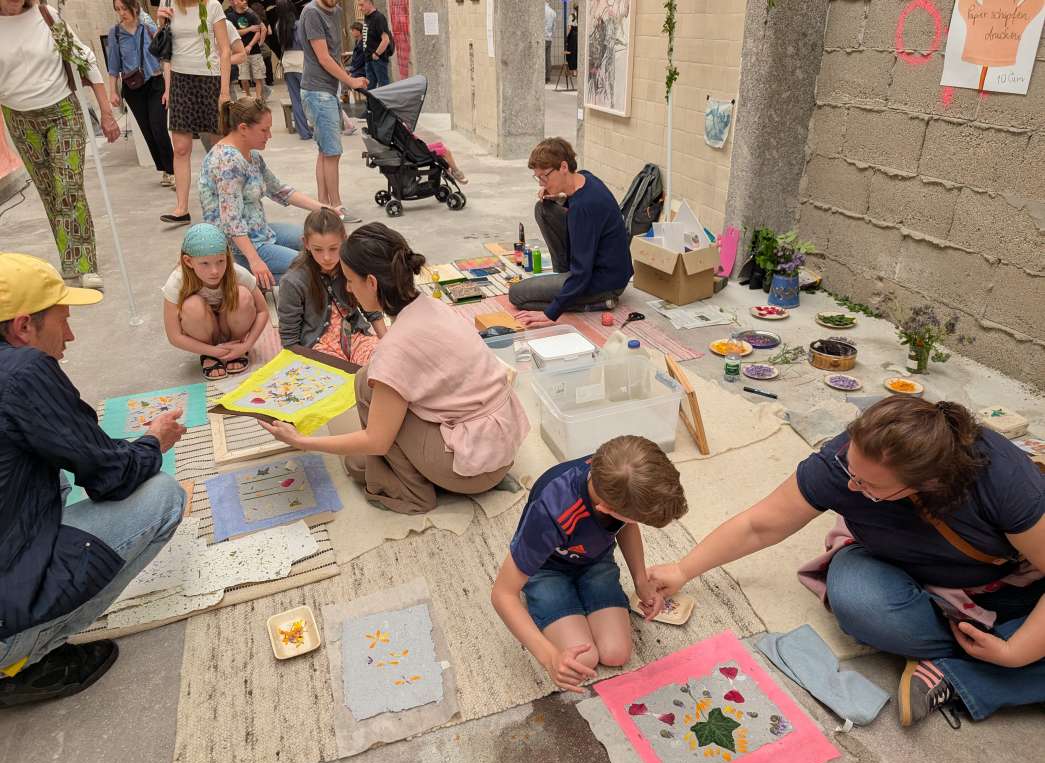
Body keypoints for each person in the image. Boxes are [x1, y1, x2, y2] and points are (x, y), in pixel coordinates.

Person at [648, 396, 1045, 728]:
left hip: (1004, 585)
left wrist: (1016, 652)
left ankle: (961, 675)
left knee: (1027, 644)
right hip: (893, 572)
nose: (851, 485)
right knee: (856, 597)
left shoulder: (1002, 477)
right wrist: (683, 569)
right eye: (851, 471)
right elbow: (760, 525)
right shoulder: (845, 462)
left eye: (869, 485)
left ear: (925, 484)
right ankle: (988, 657)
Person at [0, 253, 188, 707]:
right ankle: (23, 658)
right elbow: (111, 477)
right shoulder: (23, 371)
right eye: (62, 321)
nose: (70, 335)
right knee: (163, 495)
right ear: (23, 327)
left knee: (55, 480)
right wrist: (153, 442)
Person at [261, 222, 530, 514]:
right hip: (500, 447)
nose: (348, 288)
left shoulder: (396, 347)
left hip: (473, 468)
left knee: (364, 429)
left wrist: (302, 440)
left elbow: (376, 440)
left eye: (350, 281)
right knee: (366, 387)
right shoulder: (432, 305)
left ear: (371, 283)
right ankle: (413, 473)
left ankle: (413, 493)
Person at [492, 436, 688, 692]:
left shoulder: (616, 471)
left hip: (595, 559)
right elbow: (503, 594)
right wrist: (549, 657)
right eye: (633, 518)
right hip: (546, 570)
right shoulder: (551, 510)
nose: (632, 522)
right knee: (583, 660)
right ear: (605, 508)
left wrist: (641, 580)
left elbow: (626, 524)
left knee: (616, 653)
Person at [0, 0, 121, 290]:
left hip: (62, 111)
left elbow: (85, 60)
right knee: (50, 192)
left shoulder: (46, 15)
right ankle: (70, 260)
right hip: (19, 118)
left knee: (68, 187)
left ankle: (83, 265)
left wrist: (106, 113)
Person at [198, 97, 331, 288]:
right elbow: (231, 222)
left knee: (320, 242)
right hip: (240, 247)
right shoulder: (227, 162)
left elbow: (279, 190)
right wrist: (255, 260)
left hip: (260, 231)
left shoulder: (251, 154)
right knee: (315, 268)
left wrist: (324, 208)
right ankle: (241, 277)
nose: (269, 135)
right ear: (243, 128)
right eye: (264, 130)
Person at [509, 137, 633, 328]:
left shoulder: (583, 209)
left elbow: (582, 273)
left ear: (563, 167)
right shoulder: (585, 178)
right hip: (609, 269)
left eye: (544, 177)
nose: (541, 184)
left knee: (517, 295)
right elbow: (576, 208)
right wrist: (556, 196)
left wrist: (551, 313)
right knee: (543, 208)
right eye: (538, 178)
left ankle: (598, 302)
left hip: (605, 282)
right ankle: (563, 276)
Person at [277, 207, 386, 365]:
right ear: (306, 243)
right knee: (342, 378)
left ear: (344, 240)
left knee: (383, 364)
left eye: (334, 248)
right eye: (318, 250)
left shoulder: (352, 265)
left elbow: (372, 310)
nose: (327, 257)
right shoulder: (293, 281)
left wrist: (387, 342)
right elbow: (289, 341)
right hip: (317, 347)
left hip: (355, 337)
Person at [161, 223, 269, 380]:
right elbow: (174, 335)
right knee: (192, 305)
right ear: (188, 261)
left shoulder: (237, 273)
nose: (215, 271)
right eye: (205, 263)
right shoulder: (177, 281)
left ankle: (236, 346)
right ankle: (209, 354)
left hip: (232, 329)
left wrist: (246, 345)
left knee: (243, 296)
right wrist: (215, 351)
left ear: (227, 257)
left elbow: (263, 310)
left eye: (220, 261)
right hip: (204, 333)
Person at [157, 0, 231, 224]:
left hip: (210, 79)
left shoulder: (212, 5)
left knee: (219, 146)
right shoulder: (168, 3)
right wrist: (160, 22)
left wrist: (224, 91)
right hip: (180, 80)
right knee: (180, 148)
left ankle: (227, 202)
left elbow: (225, 49)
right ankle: (181, 209)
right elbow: (163, 48)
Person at [299, 0, 368, 222]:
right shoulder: (312, 12)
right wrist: (350, 81)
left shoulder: (336, 11)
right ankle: (336, 208)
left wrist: (346, 80)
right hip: (317, 91)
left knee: (325, 152)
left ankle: (323, 208)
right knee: (332, 152)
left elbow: (335, 54)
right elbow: (323, 57)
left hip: (328, 90)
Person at [107, 0, 175, 188]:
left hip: (155, 82)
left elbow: (165, 56)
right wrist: (112, 91)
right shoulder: (115, 33)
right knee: (148, 131)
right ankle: (164, 169)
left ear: (134, 7)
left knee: (158, 127)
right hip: (133, 88)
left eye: (124, 8)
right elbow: (113, 66)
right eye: (118, 9)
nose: (121, 13)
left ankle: (173, 170)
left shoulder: (148, 27)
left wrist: (168, 89)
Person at [274, 0, 311, 140]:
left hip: (287, 62)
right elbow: (303, 43)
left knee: (295, 99)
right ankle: (317, 127)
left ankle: (303, 132)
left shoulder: (278, 26)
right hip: (302, 61)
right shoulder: (299, 24)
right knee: (310, 96)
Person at [225, 0, 266, 98]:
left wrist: (250, 45)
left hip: (255, 51)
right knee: (243, 78)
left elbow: (258, 31)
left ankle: (258, 99)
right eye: (242, 0)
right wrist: (249, 29)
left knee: (259, 77)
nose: (245, 1)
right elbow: (233, 32)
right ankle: (248, 97)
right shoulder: (230, 17)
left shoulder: (252, 15)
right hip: (240, 53)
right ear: (235, 2)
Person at [358, 0, 391, 88]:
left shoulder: (378, 17)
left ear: (369, 2)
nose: (360, 8)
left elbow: (386, 39)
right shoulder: (367, 17)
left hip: (378, 59)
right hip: (368, 59)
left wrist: (376, 54)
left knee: (384, 87)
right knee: (370, 87)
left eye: (361, 5)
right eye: (359, 5)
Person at [544, 0, 555, 83]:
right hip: (549, 38)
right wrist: (550, 35)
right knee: (548, 58)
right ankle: (548, 77)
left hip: (542, 38)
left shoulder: (542, 10)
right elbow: (554, 27)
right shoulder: (553, 12)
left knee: (542, 58)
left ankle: (542, 76)